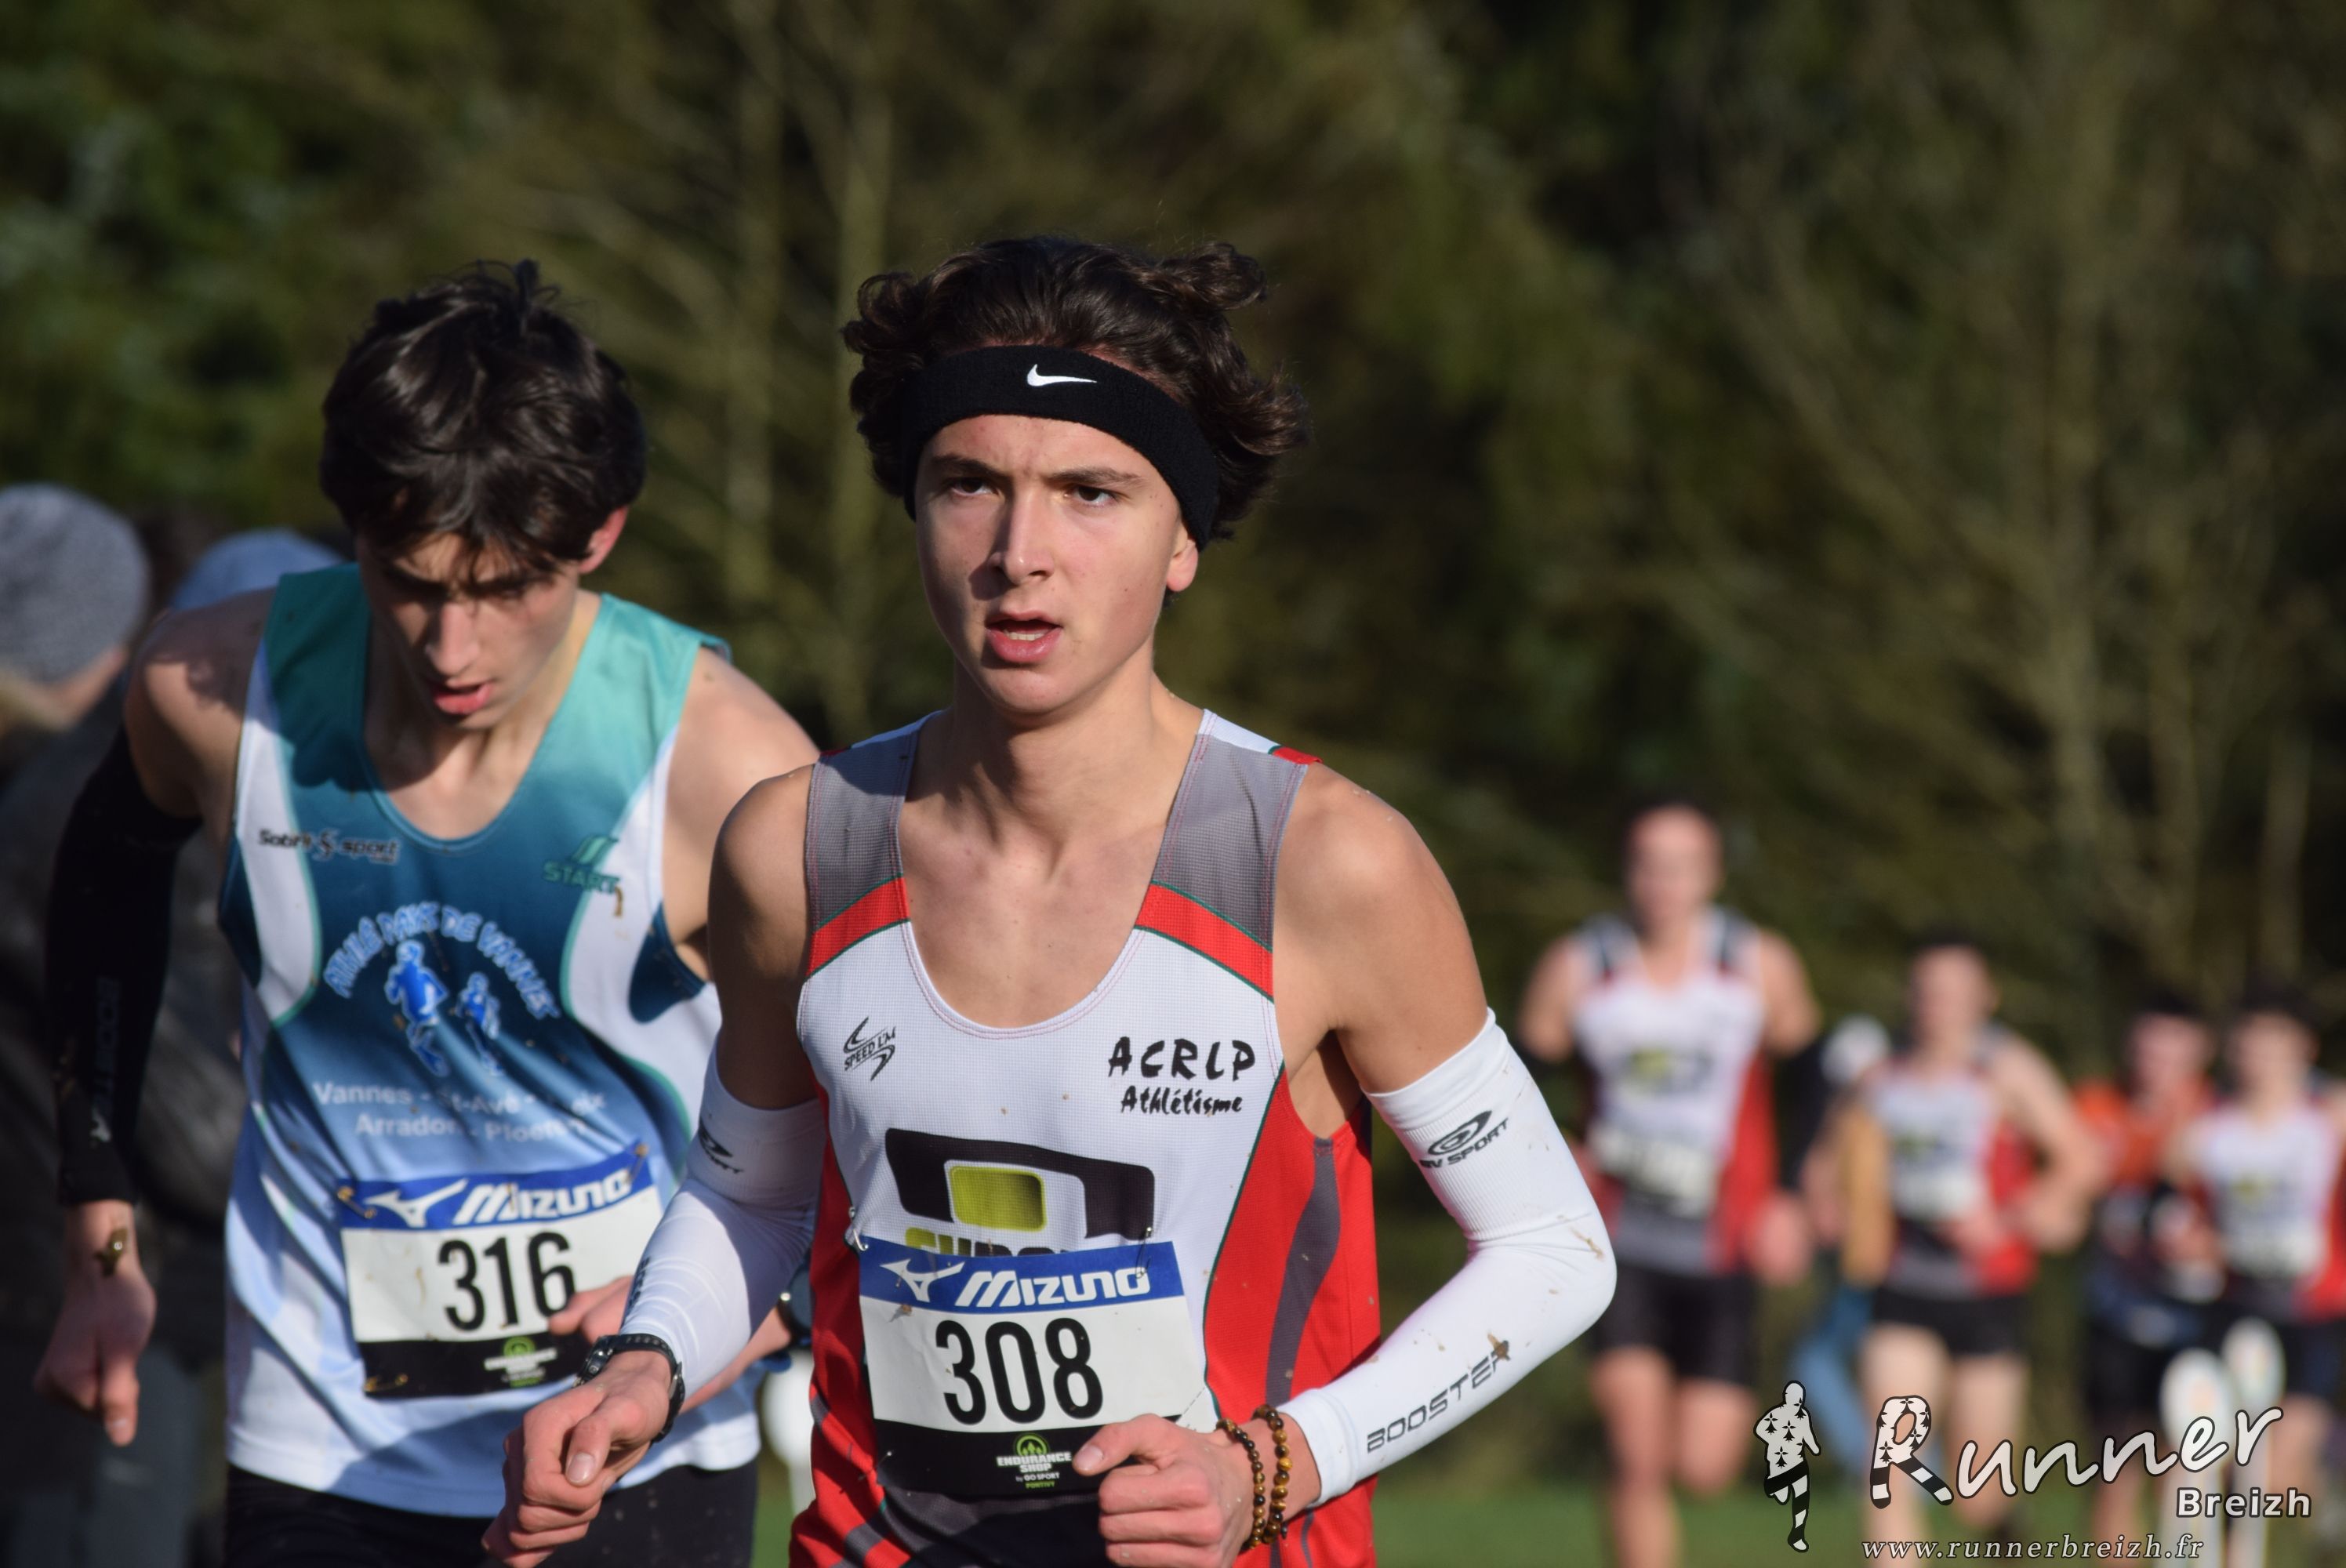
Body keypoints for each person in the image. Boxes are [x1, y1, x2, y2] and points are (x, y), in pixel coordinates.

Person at [489, 235, 1619, 1568]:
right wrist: (648, 1367)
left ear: (1183, 540)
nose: (1019, 554)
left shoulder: (1325, 863)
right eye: (970, 484)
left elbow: (1553, 1248)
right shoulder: (793, 846)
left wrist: (1268, 1467)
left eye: (1092, 493)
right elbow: (752, 1200)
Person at [35, 260, 815, 1567]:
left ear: (599, 535)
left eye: (506, 589)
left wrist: (752, 1311)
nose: (454, 650)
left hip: (628, 1442)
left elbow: (874, 1067)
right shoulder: (212, 689)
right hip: (318, 1435)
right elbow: (99, 889)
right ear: (353, 524)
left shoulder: (724, 763)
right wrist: (99, 1238)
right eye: (408, 581)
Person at [1517, 796, 1819, 1568]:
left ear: (1712, 873)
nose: (1664, 884)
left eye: (1681, 867)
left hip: (1722, 1237)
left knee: (1705, 1465)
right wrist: (1560, 1145)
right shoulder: (1581, 965)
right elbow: (1515, 1078)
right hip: (1618, 1237)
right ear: (1627, 870)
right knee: (1636, 1449)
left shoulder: (1755, 962)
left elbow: (1811, 1077)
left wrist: (1791, 1196)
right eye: (1648, 865)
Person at [1841, 932, 2097, 1542]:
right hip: (1902, 1286)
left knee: (1977, 1496)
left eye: (1954, 992)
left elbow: (2082, 1160)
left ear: (1987, 997)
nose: (1938, 1005)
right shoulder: (1880, 1077)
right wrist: (1837, 1206)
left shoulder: (2008, 1069)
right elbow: (1829, 1168)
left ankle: (2004, 1530)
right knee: (1888, 1466)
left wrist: (2007, 1220)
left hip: (1987, 1294)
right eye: (1927, 990)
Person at [2164, 983, 2346, 1504]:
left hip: (2314, 1314)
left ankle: (2322, 1485)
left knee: (2274, 1480)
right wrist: (2186, 1241)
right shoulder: (2205, 1125)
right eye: (2249, 1039)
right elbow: (2173, 1210)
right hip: (2236, 1305)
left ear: (2303, 1046)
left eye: (2274, 1039)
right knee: (2212, 1469)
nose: (2259, 1054)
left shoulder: (2331, 1115)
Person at [2072, 993, 2215, 1544]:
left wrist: (2208, 1243)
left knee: (2187, 1480)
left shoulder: (2223, 1118)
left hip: (2201, 1323)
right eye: (2146, 1048)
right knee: (2115, 1478)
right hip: (2116, 1318)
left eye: (2171, 1051)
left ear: (2201, 1051)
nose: (2155, 1062)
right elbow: (2068, 1190)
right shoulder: (2097, 1108)